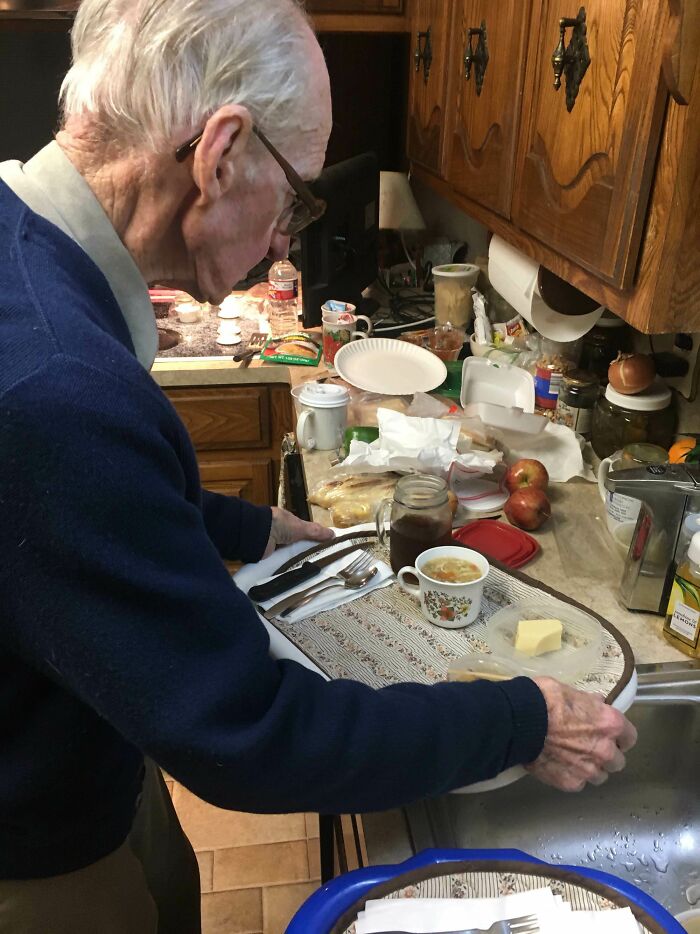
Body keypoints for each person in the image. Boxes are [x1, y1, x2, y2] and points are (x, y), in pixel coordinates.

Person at [0, 0, 637, 931]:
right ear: (220, 154)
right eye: (295, 195)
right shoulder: (57, 386)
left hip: (77, 743)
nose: (287, 240)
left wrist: (249, 524)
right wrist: (523, 720)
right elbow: (250, 734)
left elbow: (66, 518)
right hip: (31, 851)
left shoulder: (29, 260)